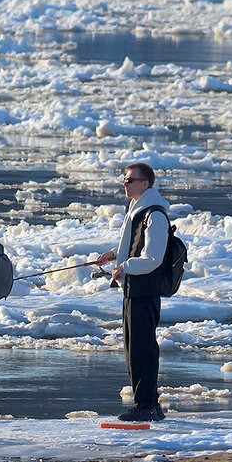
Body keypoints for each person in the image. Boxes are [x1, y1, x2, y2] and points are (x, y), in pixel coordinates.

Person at [94, 162, 169, 422]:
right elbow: (135, 245)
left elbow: (153, 257)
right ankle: (148, 403)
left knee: (142, 348)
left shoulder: (154, 215)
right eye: (125, 180)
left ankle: (146, 405)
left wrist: (125, 266)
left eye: (130, 180)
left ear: (145, 183)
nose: (125, 184)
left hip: (145, 290)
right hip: (132, 288)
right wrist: (114, 255)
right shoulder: (137, 209)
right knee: (133, 347)